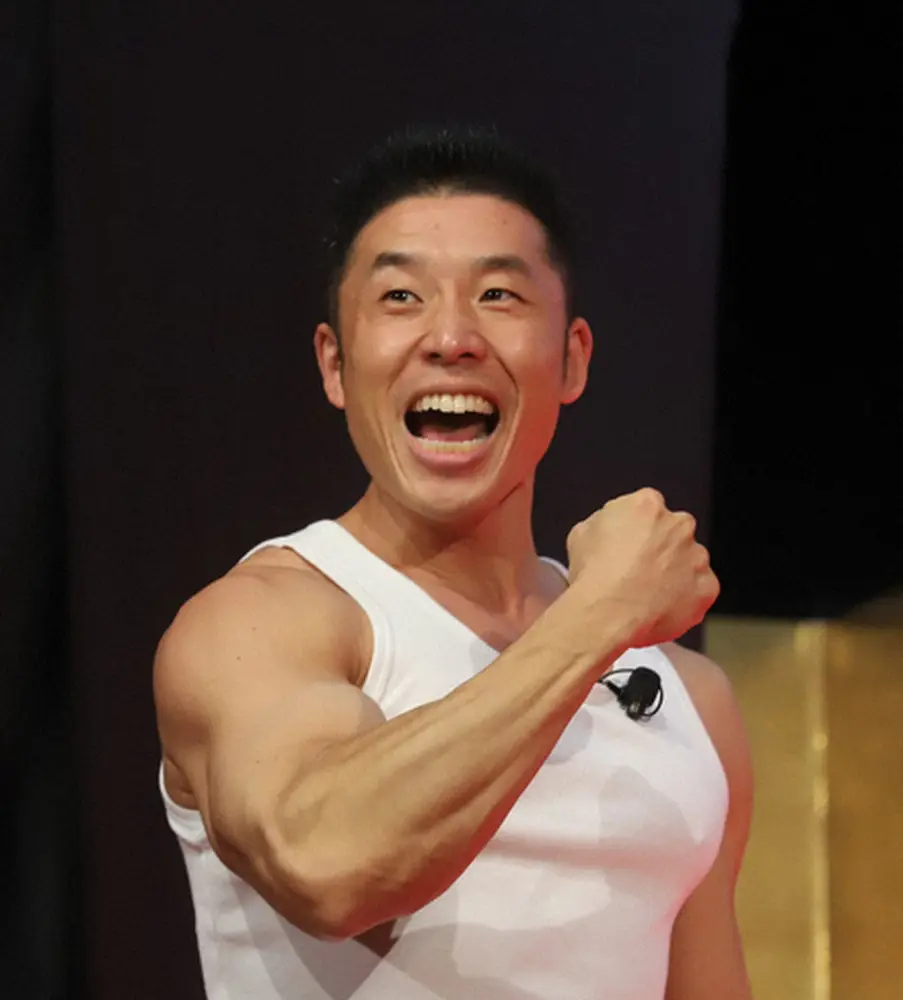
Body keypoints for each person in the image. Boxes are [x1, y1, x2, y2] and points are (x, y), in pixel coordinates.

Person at [153, 126, 753, 1000]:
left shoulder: (693, 703)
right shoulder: (261, 623)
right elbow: (324, 866)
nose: (450, 336)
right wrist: (596, 618)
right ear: (334, 364)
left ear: (572, 358)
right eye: (400, 297)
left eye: (498, 294)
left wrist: (599, 621)